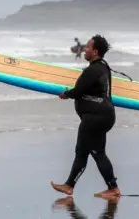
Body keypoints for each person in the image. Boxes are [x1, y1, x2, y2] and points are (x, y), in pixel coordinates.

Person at [51, 34, 121, 198]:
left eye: (88, 47)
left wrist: (65, 94)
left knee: (94, 153)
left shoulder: (92, 70)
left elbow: (77, 91)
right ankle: (70, 186)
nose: (85, 49)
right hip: (104, 115)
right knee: (86, 151)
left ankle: (112, 188)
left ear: (95, 51)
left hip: (94, 118)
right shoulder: (104, 66)